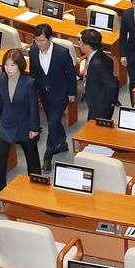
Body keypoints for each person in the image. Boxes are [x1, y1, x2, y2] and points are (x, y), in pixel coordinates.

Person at [0, 48, 41, 193]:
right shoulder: (1, 78)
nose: (8, 69)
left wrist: (34, 128)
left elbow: (33, 107)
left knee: (32, 159)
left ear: (20, 65)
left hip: (25, 126)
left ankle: (38, 189)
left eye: (12, 65)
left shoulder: (29, 82)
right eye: (6, 65)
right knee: (0, 159)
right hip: (6, 125)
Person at [28, 24, 77, 167]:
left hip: (60, 93)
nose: (39, 44)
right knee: (53, 120)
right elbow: (33, 73)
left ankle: (48, 153)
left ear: (50, 38)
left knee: (52, 123)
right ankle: (61, 143)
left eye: (42, 40)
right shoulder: (33, 51)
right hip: (44, 94)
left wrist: (72, 92)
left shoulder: (62, 52)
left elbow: (71, 74)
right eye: (36, 40)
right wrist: (33, 93)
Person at [78, 27, 120, 120]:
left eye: (80, 42)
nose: (79, 44)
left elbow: (113, 84)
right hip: (95, 100)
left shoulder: (98, 64)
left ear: (87, 46)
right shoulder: (98, 56)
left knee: (95, 130)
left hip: (100, 105)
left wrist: (112, 101)